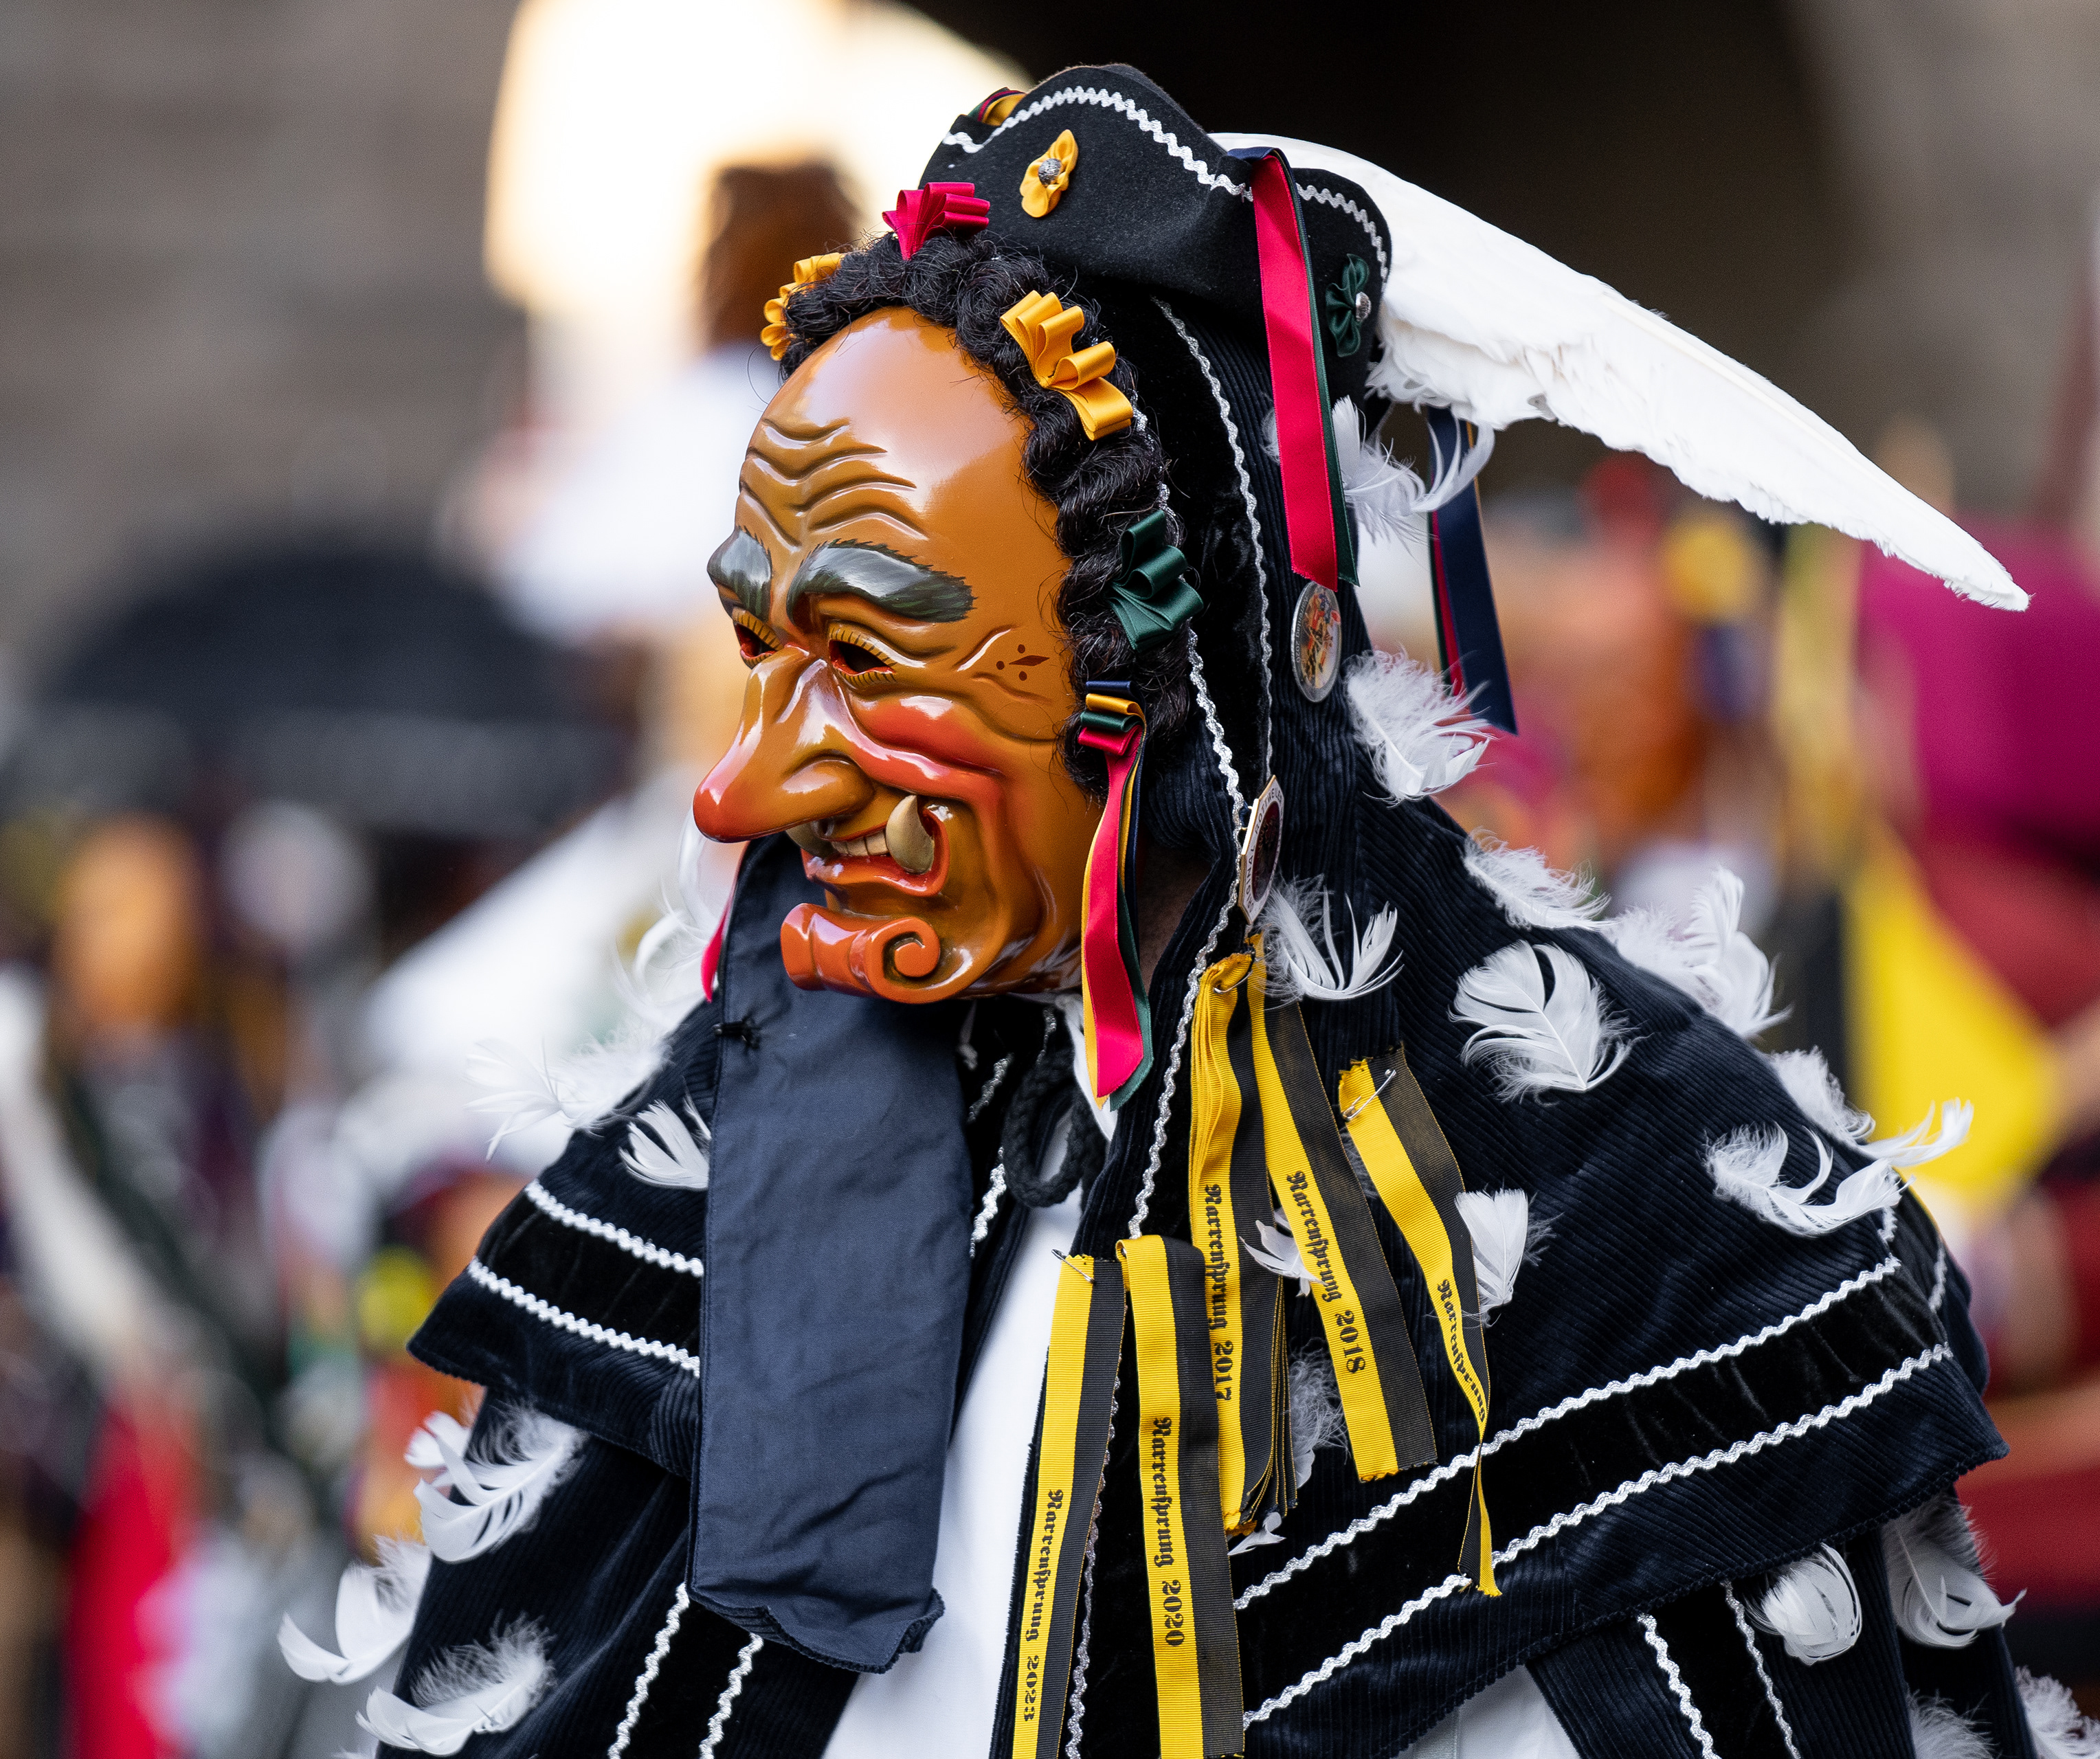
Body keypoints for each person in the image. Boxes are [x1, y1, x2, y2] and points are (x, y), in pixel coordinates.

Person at [287, 65, 2093, 1757]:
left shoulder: (1651, 1222)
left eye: (873, 661)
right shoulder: (710, 1173)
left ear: (1164, 691)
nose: (743, 789)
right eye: (760, 647)